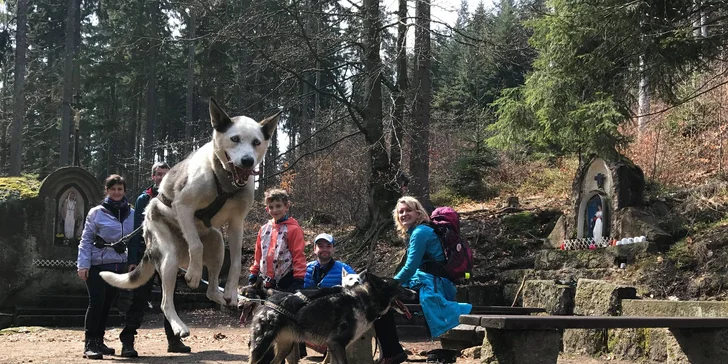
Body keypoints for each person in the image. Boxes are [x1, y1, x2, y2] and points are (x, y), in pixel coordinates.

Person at [373, 196, 472, 364]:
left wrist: (390, 287)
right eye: (401, 212)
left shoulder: (420, 232)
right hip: (433, 282)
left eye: (408, 210)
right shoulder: (421, 231)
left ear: (418, 212)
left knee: (378, 303)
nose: (404, 214)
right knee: (382, 301)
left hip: (431, 285)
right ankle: (392, 351)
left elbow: (410, 267)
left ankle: (393, 353)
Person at [119, 162, 190, 357]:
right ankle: (127, 341)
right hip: (148, 256)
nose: (161, 177)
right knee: (139, 299)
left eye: (165, 174)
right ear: (153, 177)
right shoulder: (145, 198)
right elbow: (136, 231)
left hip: (170, 257)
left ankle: (174, 340)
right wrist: (133, 259)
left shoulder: (177, 198)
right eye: (158, 174)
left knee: (170, 298)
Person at [76, 175, 134, 360]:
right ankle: (90, 343)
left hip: (119, 266)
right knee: (97, 303)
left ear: (124, 191)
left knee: (108, 304)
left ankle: (99, 341)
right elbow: (85, 240)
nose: (117, 192)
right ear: (107, 191)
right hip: (98, 265)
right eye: (113, 189)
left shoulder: (132, 213)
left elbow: (136, 239)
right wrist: (83, 264)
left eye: (120, 189)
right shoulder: (96, 212)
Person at [248, 188, 306, 292]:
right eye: (271, 207)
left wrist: (299, 278)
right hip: (264, 279)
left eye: (278, 206)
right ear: (267, 209)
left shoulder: (293, 229)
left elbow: (298, 254)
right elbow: (258, 254)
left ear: (286, 206)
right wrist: (254, 272)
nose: (275, 210)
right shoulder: (264, 229)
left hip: (286, 279)